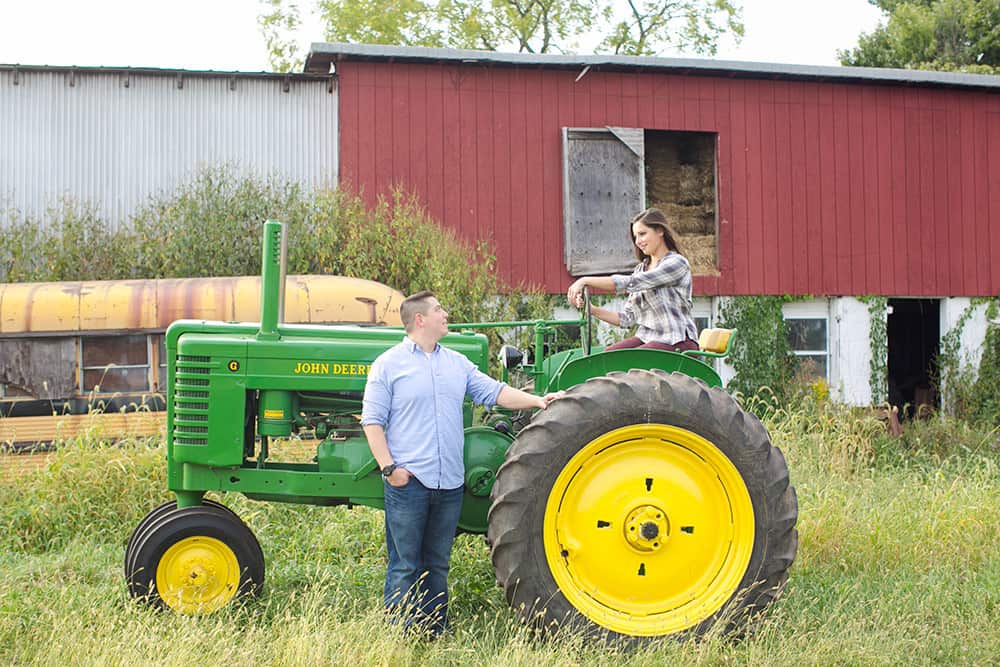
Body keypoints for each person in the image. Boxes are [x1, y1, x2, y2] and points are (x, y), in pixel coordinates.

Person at [360, 290, 562, 637]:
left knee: (437, 564)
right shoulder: (389, 365)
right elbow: (371, 420)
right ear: (419, 319)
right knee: (405, 564)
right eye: (439, 309)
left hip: (449, 483)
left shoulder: (455, 363)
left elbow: (495, 392)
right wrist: (390, 469)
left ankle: (434, 630)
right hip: (409, 482)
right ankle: (399, 634)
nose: (445, 314)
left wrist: (538, 400)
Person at [566, 207, 699, 353]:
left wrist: (585, 280)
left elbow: (633, 283)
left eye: (642, 234)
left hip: (677, 339)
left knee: (634, 358)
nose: (638, 241)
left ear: (660, 231)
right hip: (648, 337)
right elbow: (627, 318)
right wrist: (591, 309)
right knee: (608, 355)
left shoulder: (676, 263)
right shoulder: (640, 269)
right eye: (635, 237)